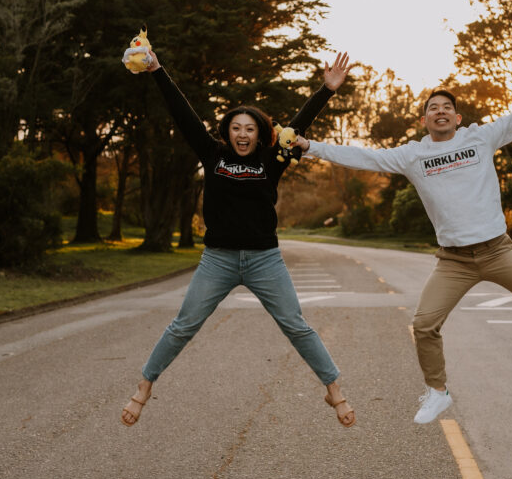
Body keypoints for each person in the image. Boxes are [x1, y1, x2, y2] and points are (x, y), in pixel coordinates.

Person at [297, 56, 512, 424]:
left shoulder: (480, 138)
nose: (440, 112)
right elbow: (361, 156)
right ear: (424, 121)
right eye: (433, 108)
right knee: (424, 324)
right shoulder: (413, 154)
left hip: (498, 250)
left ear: (458, 118)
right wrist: (312, 147)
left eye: (447, 107)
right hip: (454, 261)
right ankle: (437, 392)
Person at [121, 49, 356, 428]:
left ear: (258, 133)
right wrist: (158, 71)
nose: (242, 134)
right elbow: (182, 115)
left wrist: (326, 91)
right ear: (226, 132)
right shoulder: (211, 154)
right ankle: (144, 385)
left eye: (249, 128)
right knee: (183, 325)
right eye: (236, 128)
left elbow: (298, 123)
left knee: (296, 325)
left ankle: (334, 389)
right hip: (218, 259)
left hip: (265, 260)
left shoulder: (272, 159)